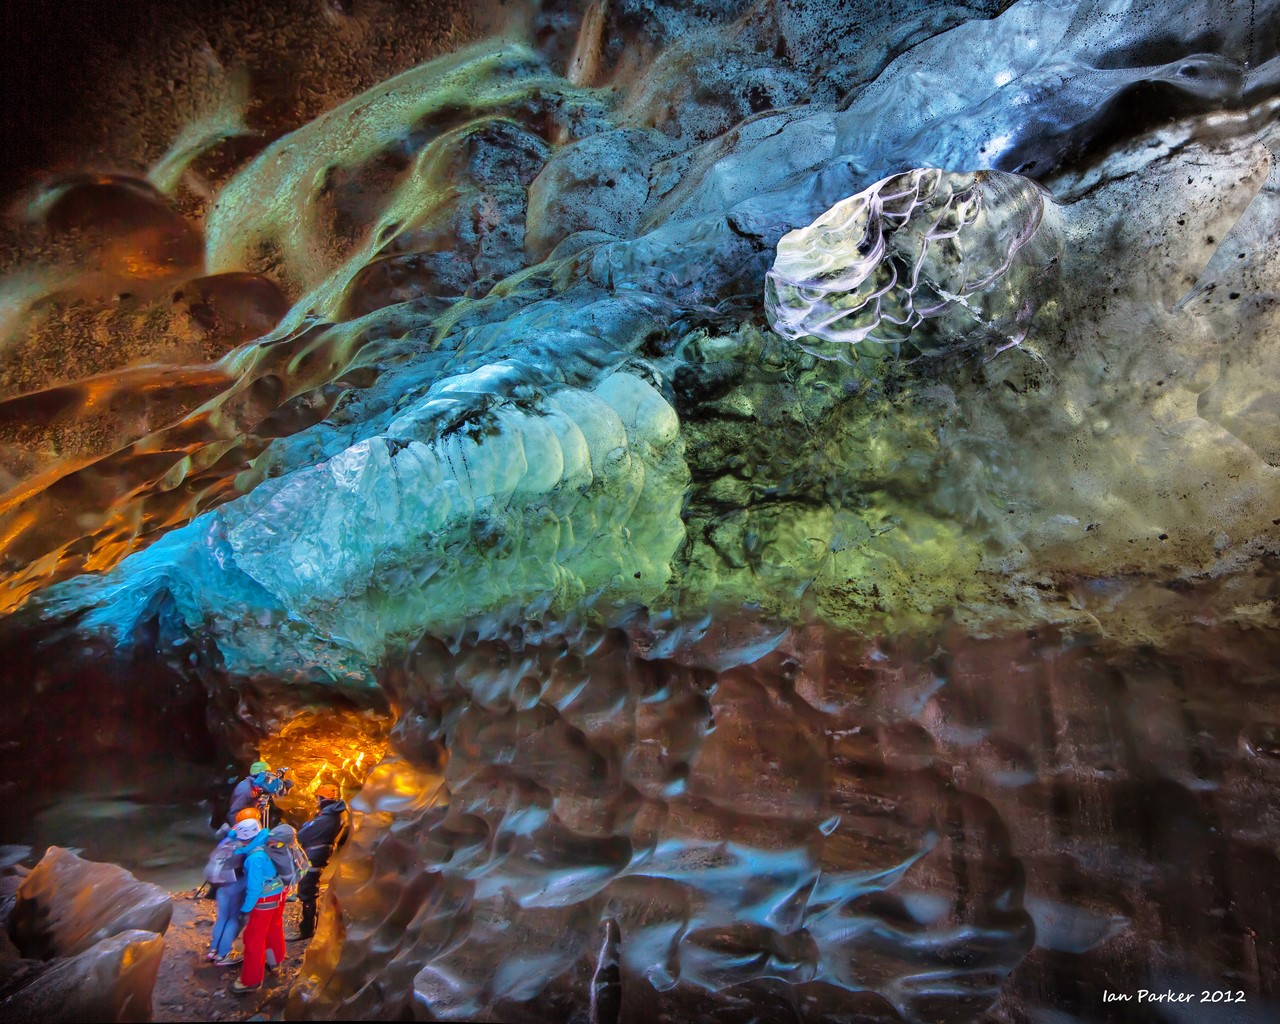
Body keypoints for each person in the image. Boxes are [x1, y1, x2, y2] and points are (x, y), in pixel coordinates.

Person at [232, 816, 286, 994]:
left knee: (254, 938)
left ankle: (251, 980)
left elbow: (254, 889)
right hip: (281, 893)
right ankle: (275, 962)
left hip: (264, 901)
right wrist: (232, 833)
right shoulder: (268, 838)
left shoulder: (255, 858)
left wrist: (246, 909)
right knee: (274, 927)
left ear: (245, 838)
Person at [292, 784, 349, 940]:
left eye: (318, 797)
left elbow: (303, 834)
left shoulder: (327, 817)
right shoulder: (332, 814)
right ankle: (311, 924)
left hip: (314, 855)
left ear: (323, 798)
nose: (316, 800)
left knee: (307, 890)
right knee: (309, 888)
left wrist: (304, 829)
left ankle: (307, 928)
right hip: (319, 854)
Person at [206, 810, 259, 967]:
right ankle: (224, 954)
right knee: (233, 920)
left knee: (222, 917)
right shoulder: (244, 845)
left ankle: (213, 950)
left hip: (221, 885)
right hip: (234, 885)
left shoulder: (229, 838)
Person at [225, 760, 294, 828]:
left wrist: (285, 786)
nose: (270, 778)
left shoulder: (259, 787)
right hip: (244, 826)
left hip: (252, 822)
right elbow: (232, 814)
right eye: (268, 774)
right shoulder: (245, 790)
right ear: (260, 775)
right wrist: (239, 831)